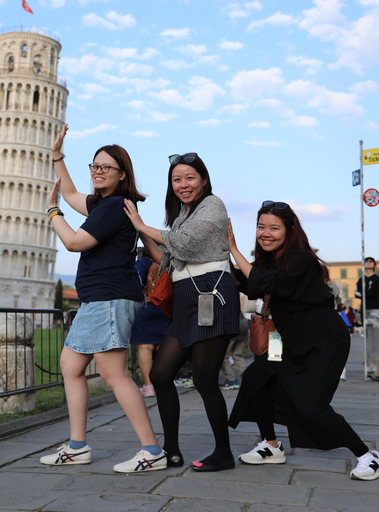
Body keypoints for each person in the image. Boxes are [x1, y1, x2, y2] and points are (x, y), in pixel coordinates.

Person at [227, 201, 379, 481]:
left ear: (290, 230)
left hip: (322, 340)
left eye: (274, 228)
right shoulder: (269, 261)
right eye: (261, 227)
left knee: (312, 407)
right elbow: (244, 280)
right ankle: (272, 445)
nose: (266, 233)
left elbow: (261, 283)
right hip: (289, 340)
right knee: (256, 378)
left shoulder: (300, 259)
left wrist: (233, 248)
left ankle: (367, 455)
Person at [40, 124, 166, 473]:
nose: (97, 171)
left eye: (105, 167)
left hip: (110, 299)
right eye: (94, 166)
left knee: (114, 376)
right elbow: (70, 192)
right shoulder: (103, 205)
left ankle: (151, 450)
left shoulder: (112, 208)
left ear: (122, 174)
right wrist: (57, 156)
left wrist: (52, 212)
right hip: (99, 300)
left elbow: (75, 242)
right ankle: (78, 445)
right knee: (71, 365)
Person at [124, 152, 240, 472]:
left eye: (190, 178)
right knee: (161, 375)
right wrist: (138, 232)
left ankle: (223, 453)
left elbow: (185, 245)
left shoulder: (213, 205)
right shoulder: (180, 217)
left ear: (203, 179)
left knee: (204, 379)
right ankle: (171, 449)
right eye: (177, 179)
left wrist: (141, 224)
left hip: (212, 296)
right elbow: (168, 254)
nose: (183, 185)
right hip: (186, 299)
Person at [130, 248, 168, 398]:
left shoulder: (144, 262)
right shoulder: (166, 263)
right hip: (165, 308)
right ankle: (163, 384)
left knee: (145, 347)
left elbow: (136, 282)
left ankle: (149, 386)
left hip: (147, 306)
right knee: (162, 346)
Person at [221, 294, 249, 390]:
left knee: (223, 356)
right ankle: (246, 378)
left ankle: (231, 381)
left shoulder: (221, 298)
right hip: (242, 327)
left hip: (231, 328)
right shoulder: (233, 296)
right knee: (238, 354)